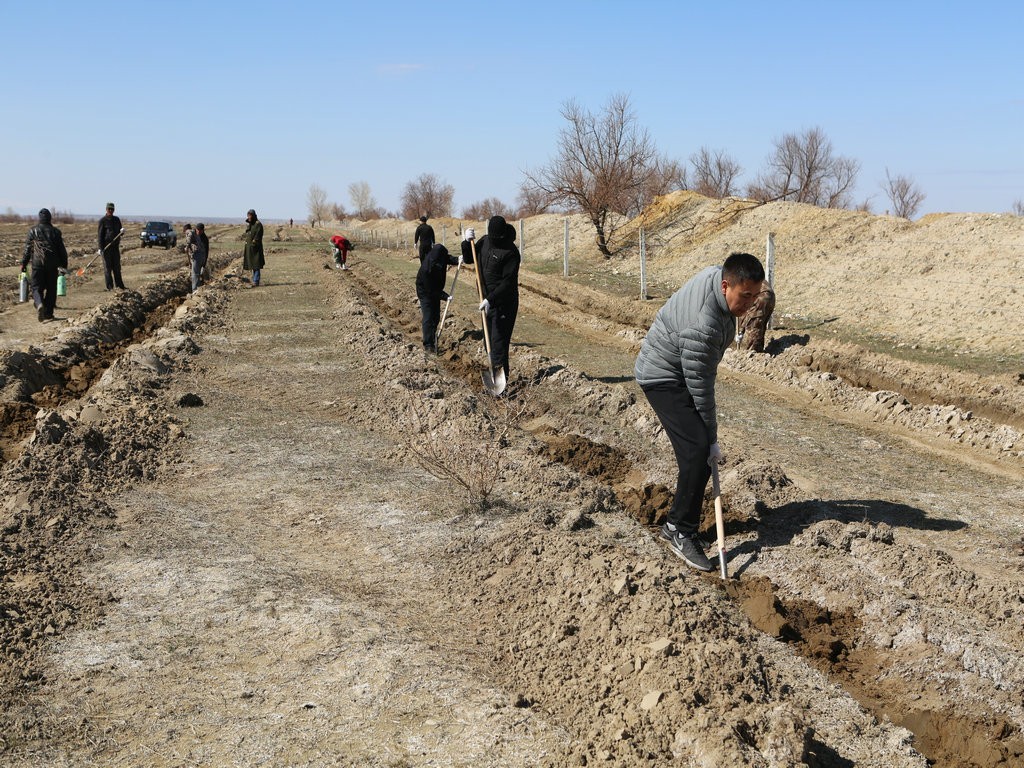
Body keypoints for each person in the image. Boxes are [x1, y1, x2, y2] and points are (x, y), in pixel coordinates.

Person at [634, 252, 765, 571]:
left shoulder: (717, 280)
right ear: (725, 285)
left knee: (698, 452)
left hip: (677, 366)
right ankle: (679, 530)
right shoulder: (703, 326)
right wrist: (712, 437)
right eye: (744, 296)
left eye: (754, 296)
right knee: (697, 451)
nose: (749, 304)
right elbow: (700, 388)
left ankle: (680, 523)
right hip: (661, 375)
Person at [462, 215, 520, 381]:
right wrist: (467, 242)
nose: (494, 241)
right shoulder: (485, 241)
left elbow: (508, 283)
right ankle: (496, 375)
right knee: (488, 343)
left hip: (504, 304)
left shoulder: (511, 253)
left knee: (498, 345)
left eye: (497, 239)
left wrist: (491, 299)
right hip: (486, 300)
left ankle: (502, 384)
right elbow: (468, 258)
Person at [21, 208, 69, 322]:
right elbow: (62, 251)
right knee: (52, 289)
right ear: (50, 218)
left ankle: (39, 304)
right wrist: (64, 266)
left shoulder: (33, 231)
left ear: (40, 218)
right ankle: (48, 313)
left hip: (37, 264)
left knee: (36, 287)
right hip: (53, 265)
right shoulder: (56, 232)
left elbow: (28, 249)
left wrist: (24, 263)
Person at [416, 243, 459, 353]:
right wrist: (445, 296)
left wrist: (458, 259)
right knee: (428, 316)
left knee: (436, 316)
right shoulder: (427, 269)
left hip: (435, 290)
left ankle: (433, 337)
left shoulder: (440, 256)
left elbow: (447, 258)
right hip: (425, 291)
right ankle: (428, 344)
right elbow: (431, 290)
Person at [736, 280, 776, 353]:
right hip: (770, 297)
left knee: (753, 326)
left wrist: (740, 331)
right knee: (759, 326)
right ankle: (758, 352)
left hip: (760, 297)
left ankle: (752, 353)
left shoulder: (736, 282)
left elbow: (743, 312)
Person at [97, 201, 126, 290]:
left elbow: (120, 233)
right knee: (108, 268)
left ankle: (120, 286)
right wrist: (100, 248)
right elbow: (100, 236)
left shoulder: (117, 219)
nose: (110, 210)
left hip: (115, 247)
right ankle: (110, 287)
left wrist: (122, 232)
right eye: (109, 209)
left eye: (112, 209)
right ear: (106, 209)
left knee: (117, 267)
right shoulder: (103, 221)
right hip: (106, 248)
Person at [243, 209, 264, 286]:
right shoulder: (250, 224)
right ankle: (254, 280)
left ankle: (256, 281)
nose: (249, 217)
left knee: (256, 264)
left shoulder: (258, 224)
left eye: (250, 215)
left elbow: (258, 236)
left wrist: (253, 244)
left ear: (254, 215)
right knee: (252, 264)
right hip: (249, 248)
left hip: (255, 248)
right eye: (248, 215)